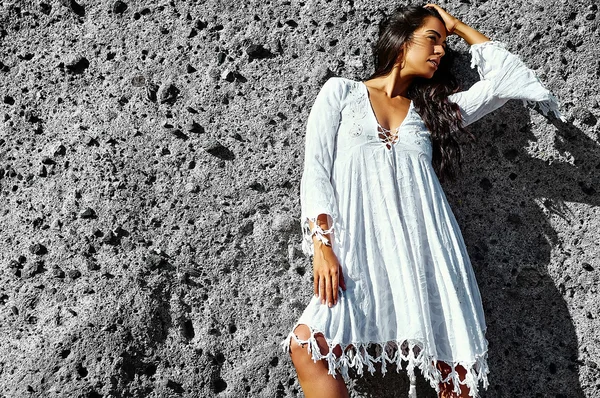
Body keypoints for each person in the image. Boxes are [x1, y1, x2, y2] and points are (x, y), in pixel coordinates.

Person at [281, 3, 563, 398]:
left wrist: (457, 26)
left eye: (444, 44)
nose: (441, 51)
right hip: (360, 257)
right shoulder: (341, 93)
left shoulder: (434, 113)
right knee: (308, 346)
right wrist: (321, 245)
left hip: (429, 255)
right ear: (401, 41)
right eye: (432, 39)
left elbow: (504, 78)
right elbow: (316, 171)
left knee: (456, 381)